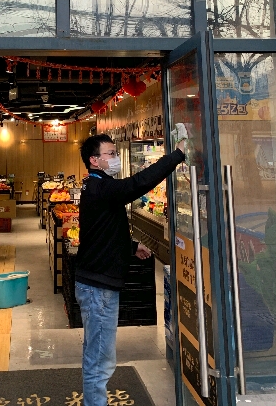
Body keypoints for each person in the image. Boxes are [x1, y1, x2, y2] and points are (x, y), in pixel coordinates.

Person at [75, 127, 187, 406]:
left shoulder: (95, 185)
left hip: (95, 283)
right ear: (94, 160)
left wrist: (130, 246)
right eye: (110, 154)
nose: (115, 158)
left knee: (96, 352)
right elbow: (137, 184)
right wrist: (176, 155)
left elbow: (102, 229)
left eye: (115, 153)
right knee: (100, 359)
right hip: (98, 288)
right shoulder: (101, 187)